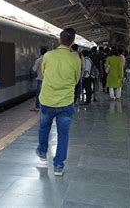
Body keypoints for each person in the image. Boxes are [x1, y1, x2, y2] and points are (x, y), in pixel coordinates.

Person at [36, 28, 81, 176]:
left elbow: (43, 73)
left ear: (59, 40)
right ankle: (58, 166)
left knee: (44, 128)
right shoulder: (76, 58)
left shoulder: (48, 55)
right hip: (66, 102)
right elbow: (76, 79)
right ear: (72, 42)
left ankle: (42, 152)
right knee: (63, 135)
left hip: (47, 100)